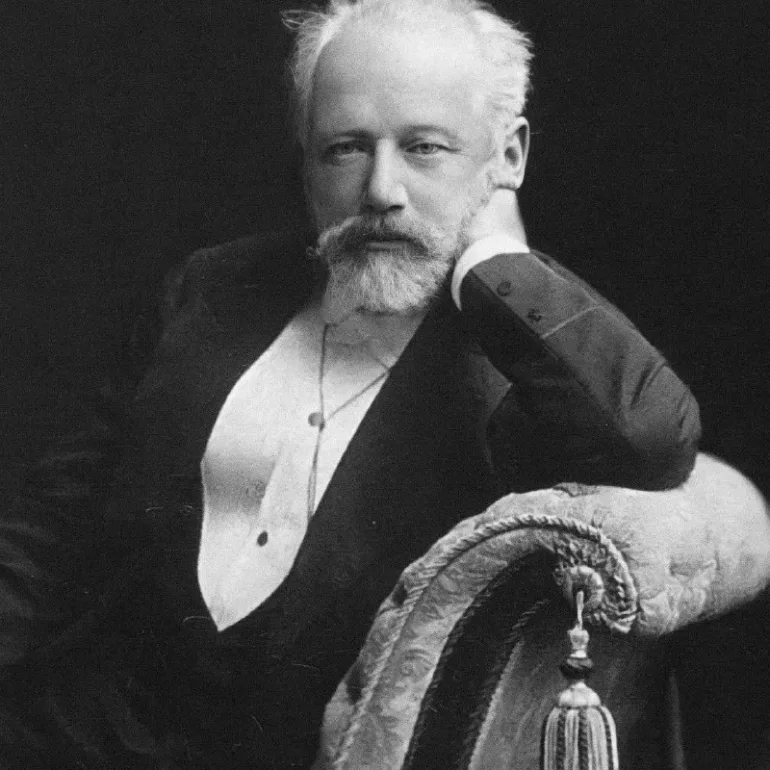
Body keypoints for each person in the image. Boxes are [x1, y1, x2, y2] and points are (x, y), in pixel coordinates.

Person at [2, 0, 700, 768]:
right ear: (305, 158)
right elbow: (51, 530)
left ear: (508, 156)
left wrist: (493, 263)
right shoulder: (211, 288)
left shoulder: (527, 356)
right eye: (345, 148)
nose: (381, 190)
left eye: (425, 148)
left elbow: (648, 435)